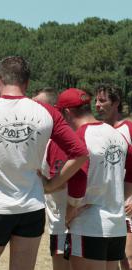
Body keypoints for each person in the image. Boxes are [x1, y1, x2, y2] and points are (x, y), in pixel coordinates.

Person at [0, 56, 88, 270]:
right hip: (32, 208)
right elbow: (80, 153)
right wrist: (51, 184)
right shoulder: (47, 111)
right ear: (27, 83)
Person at [46, 87, 132, 270]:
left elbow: (79, 180)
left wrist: (70, 211)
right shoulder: (117, 135)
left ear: (67, 113)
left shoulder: (80, 137)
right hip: (116, 226)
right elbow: (130, 170)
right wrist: (124, 197)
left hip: (89, 226)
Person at [95, 84, 132, 270]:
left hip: (126, 204)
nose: (97, 105)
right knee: (109, 259)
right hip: (104, 206)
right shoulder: (96, 130)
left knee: (127, 258)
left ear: (116, 103)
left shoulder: (128, 129)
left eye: (102, 100)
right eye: (96, 100)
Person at [33, 88, 70, 270]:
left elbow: (61, 182)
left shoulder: (58, 141)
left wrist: (44, 186)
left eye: (39, 105)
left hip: (63, 222)